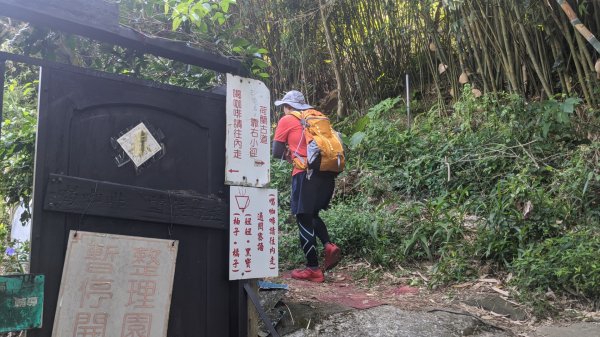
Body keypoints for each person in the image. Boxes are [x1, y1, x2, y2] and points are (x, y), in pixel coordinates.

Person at [272, 90, 341, 283]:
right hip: (326, 174)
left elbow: (276, 152)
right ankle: (328, 245)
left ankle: (313, 269)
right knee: (312, 214)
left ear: (288, 106)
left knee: (303, 217)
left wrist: (288, 154)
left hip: (305, 174)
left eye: (284, 107)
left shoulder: (287, 120)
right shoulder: (317, 117)